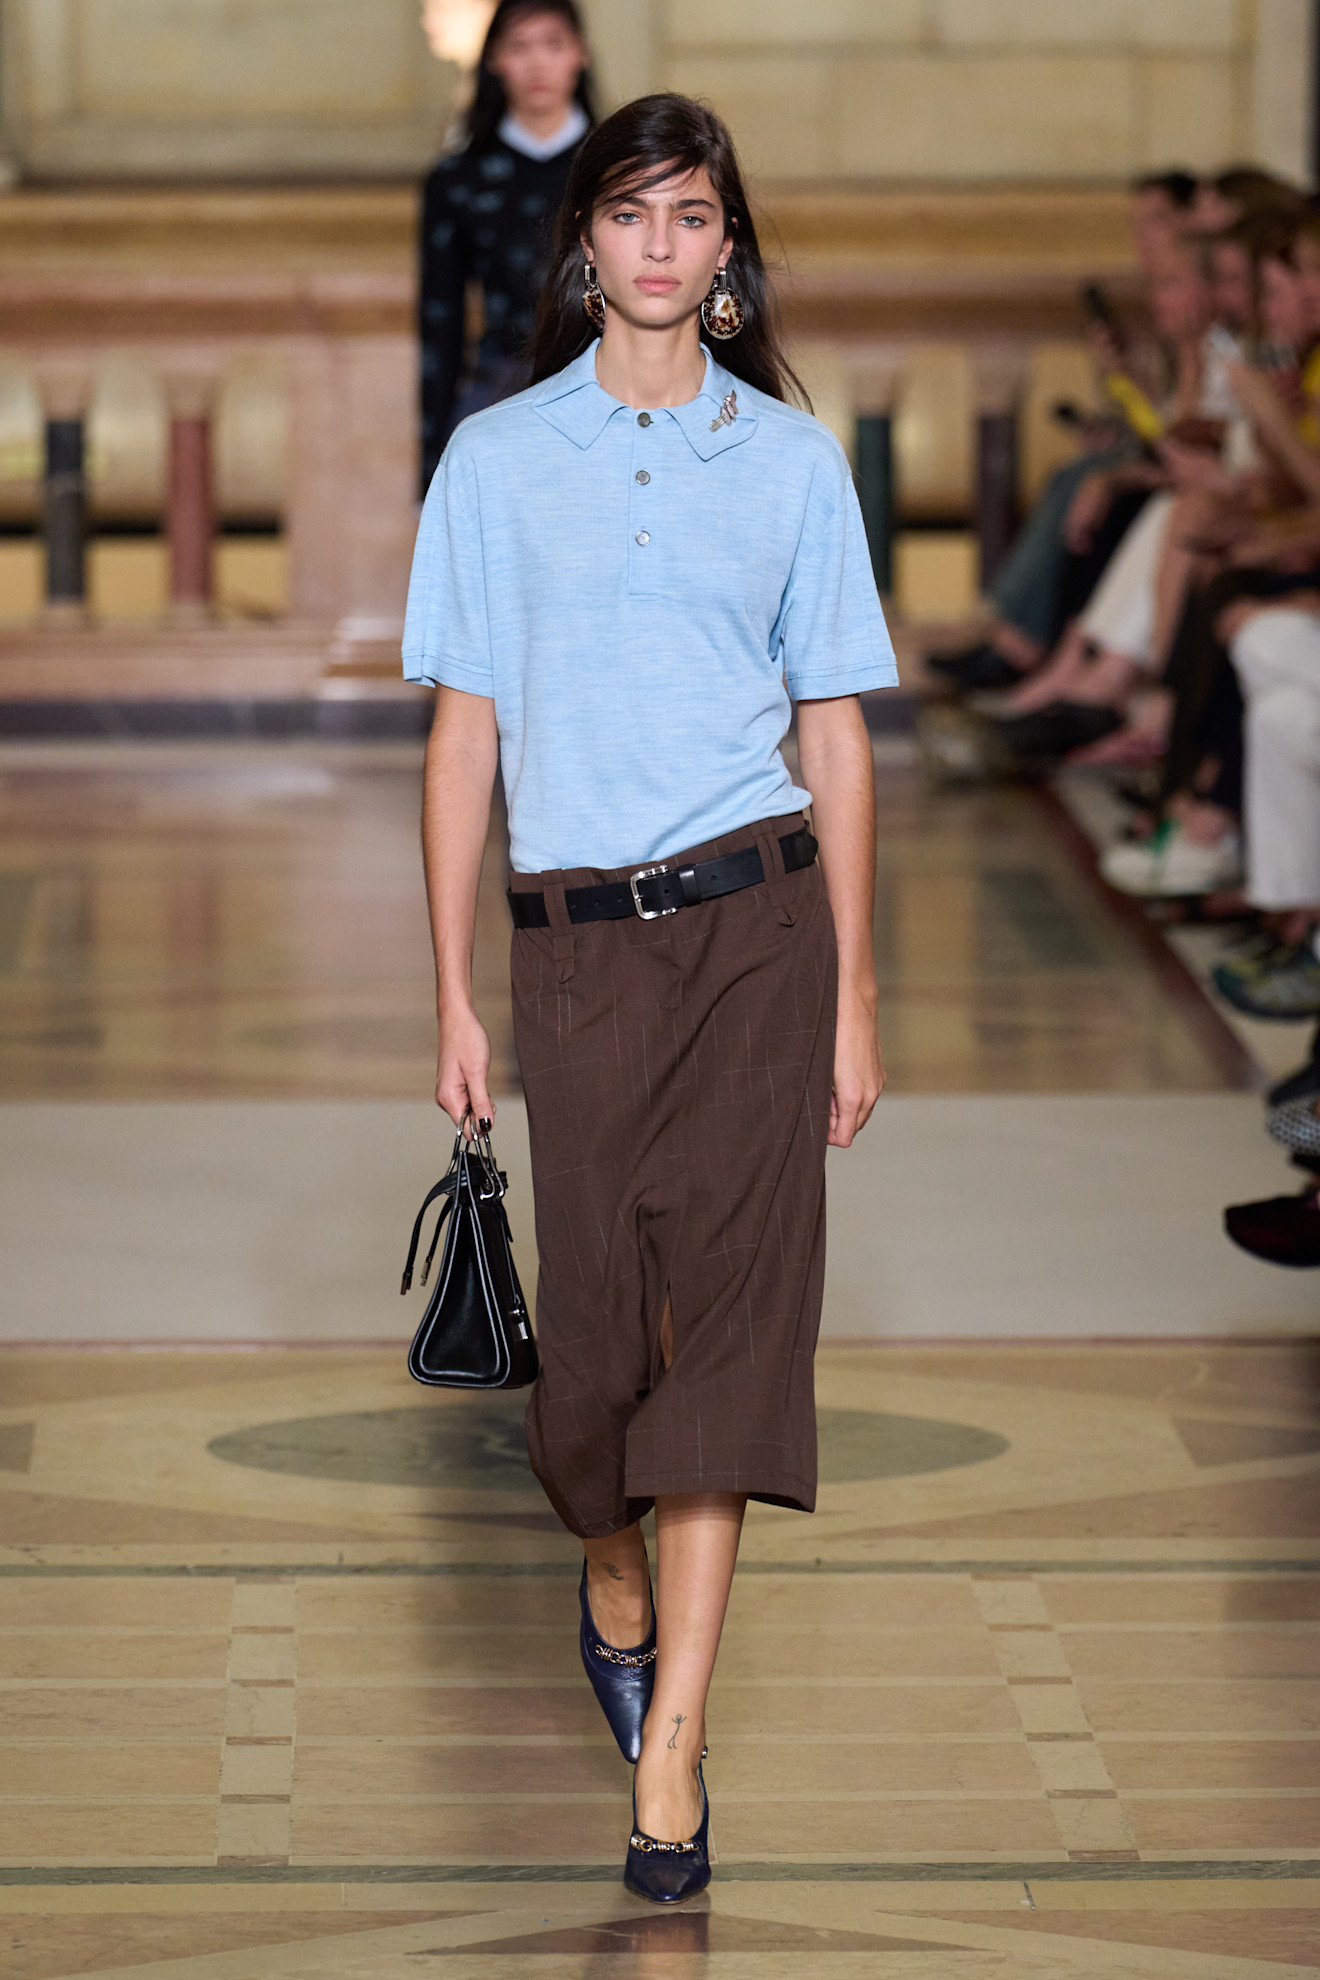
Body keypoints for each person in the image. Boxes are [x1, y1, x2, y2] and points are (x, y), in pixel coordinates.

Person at [403, 93, 895, 1901]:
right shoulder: (496, 460)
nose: (664, 245)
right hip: (579, 951)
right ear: (586, 245)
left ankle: (673, 1753)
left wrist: (852, 993)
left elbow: (834, 733)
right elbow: (465, 733)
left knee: (737, 1355)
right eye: (632, 215)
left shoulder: (789, 464)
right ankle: (602, 1563)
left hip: (760, 934)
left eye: (693, 214)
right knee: (593, 1372)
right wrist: (449, 989)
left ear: (729, 250)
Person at [418, 0, 595, 495]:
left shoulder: (618, 169)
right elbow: (440, 324)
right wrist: (430, 467)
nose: (537, 63)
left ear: (579, 54)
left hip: (612, 389)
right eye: (519, 46)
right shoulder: (458, 180)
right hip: (499, 394)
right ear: (494, 59)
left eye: (553, 43)